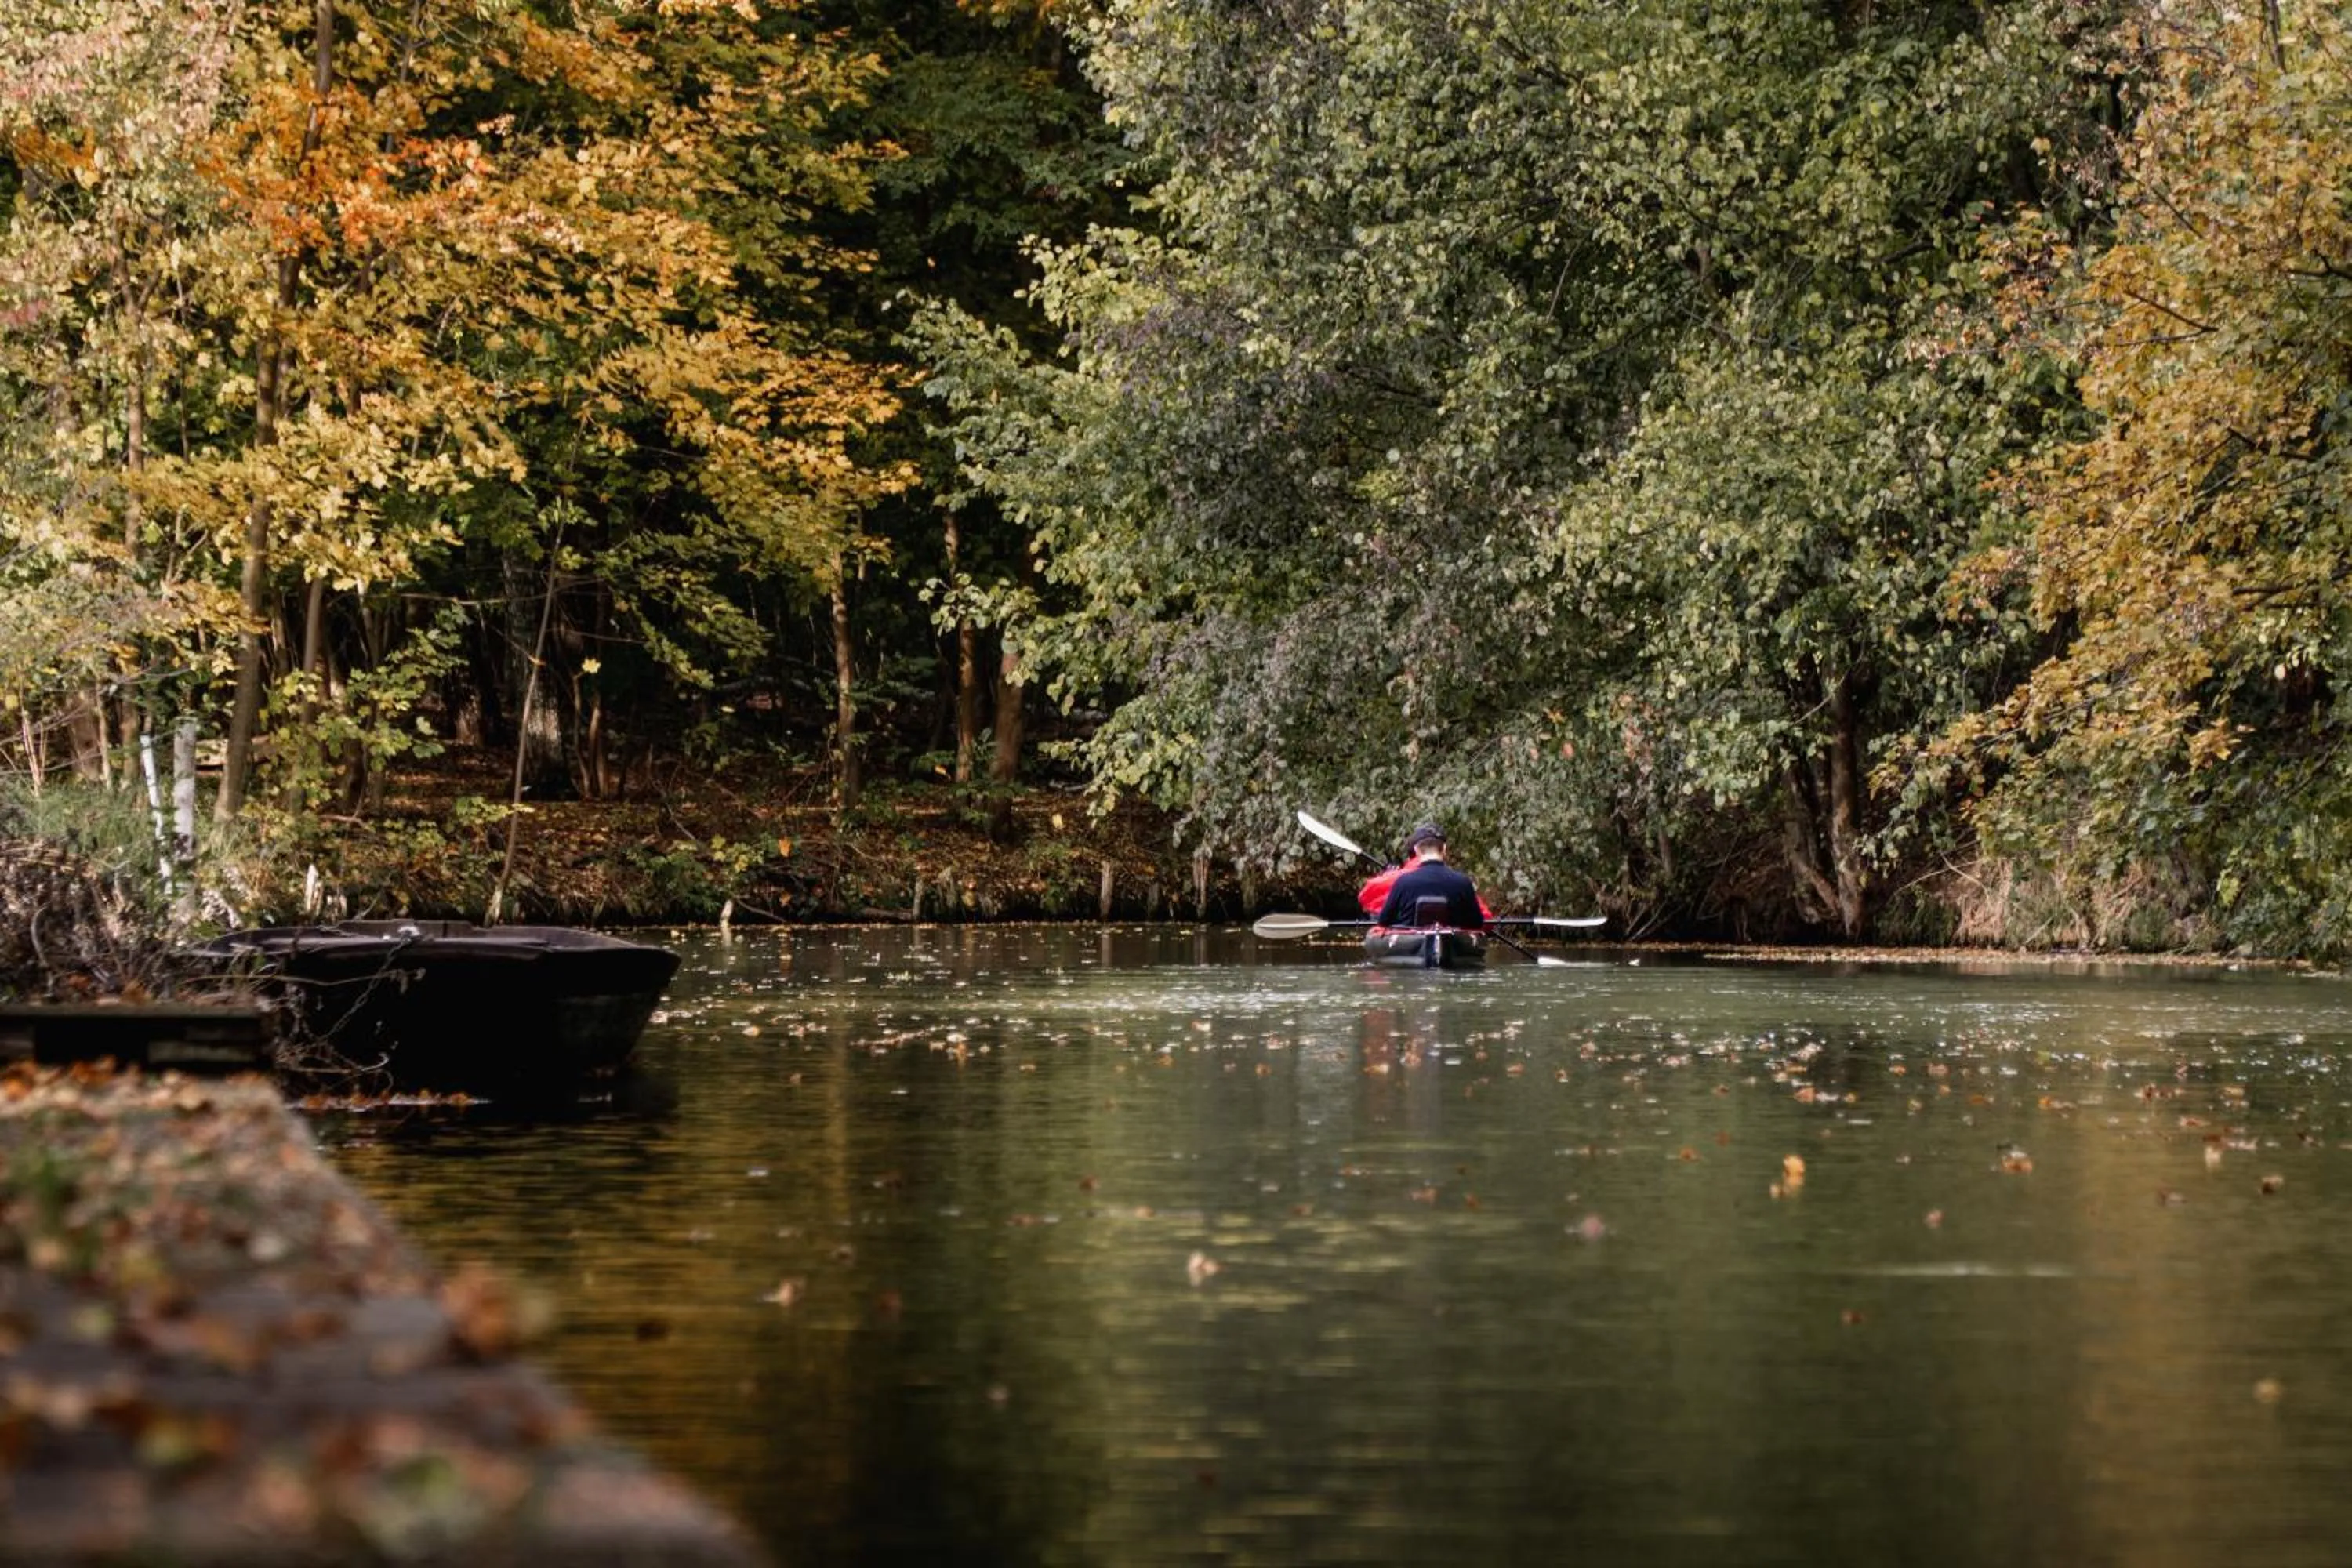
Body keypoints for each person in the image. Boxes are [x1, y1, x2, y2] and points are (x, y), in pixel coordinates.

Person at [1368, 823, 1491, 928]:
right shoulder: (1463, 882)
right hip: (1453, 944)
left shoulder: (1402, 882)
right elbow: (1477, 923)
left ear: (1416, 850)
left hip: (1411, 946)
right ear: (1444, 849)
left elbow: (1383, 922)